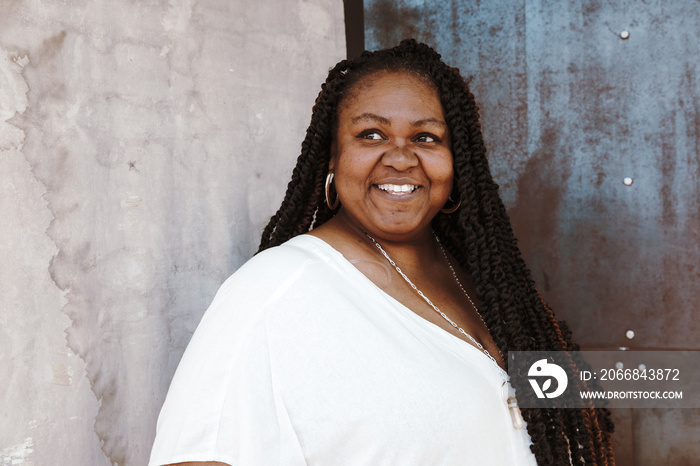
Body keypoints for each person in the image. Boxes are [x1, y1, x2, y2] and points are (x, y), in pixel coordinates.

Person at [149, 40, 615, 465]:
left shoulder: (492, 290)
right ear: (332, 155)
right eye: (371, 134)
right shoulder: (271, 292)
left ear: (457, 162)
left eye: (425, 137)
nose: (400, 157)